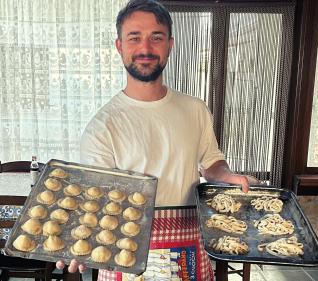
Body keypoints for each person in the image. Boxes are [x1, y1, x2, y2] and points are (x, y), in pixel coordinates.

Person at [57, 0, 258, 278]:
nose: (146, 48)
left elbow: (211, 162)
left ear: (170, 44)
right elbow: (96, 199)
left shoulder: (194, 109)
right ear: (120, 46)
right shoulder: (103, 126)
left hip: (188, 248)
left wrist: (226, 176)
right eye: (134, 37)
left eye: (156, 37)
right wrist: (80, 240)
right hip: (126, 253)